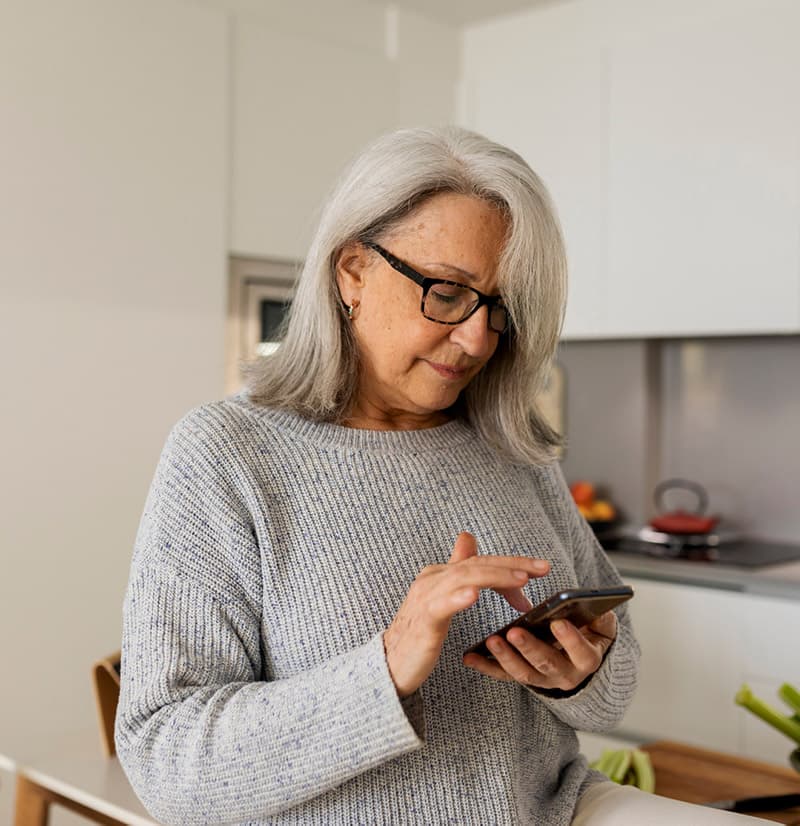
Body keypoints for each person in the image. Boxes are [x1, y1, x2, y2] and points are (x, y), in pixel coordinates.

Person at [116, 126, 763, 824]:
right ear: (352, 272)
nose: (479, 337)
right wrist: (384, 671)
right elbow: (165, 760)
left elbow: (615, 684)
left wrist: (581, 673)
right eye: (449, 292)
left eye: (501, 307)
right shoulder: (226, 454)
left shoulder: (511, 449)